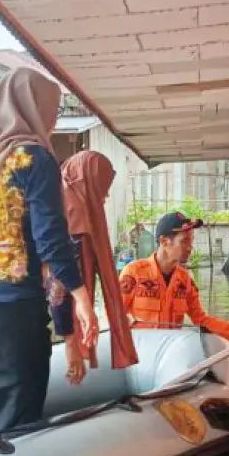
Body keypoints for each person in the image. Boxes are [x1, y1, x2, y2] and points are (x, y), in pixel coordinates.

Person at [0, 67, 99, 444]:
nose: (55, 117)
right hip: (7, 312)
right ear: (31, 106)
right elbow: (51, 241)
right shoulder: (34, 159)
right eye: (52, 108)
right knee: (17, 419)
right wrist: (82, 298)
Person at [50, 150, 139, 384]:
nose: (106, 194)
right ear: (86, 181)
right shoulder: (73, 218)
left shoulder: (57, 197)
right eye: (102, 186)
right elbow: (58, 286)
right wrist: (71, 343)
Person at [119, 211, 229, 343]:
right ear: (164, 241)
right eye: (184, 241)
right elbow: (115, 315)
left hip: (169, 356)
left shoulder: (184, 280)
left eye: (191, 240)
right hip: (141, 353)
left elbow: (201, 320)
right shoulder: (133, 273)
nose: (190, 247)